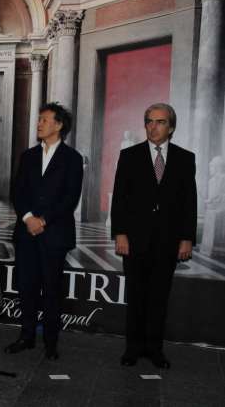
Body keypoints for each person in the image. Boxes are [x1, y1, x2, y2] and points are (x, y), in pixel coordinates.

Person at [111, 103, 196, 369]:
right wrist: (120, 233)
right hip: (135, 241)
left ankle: (154, 349)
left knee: (159, 297)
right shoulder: (129, 156)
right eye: (149, 121)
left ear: (171, 127)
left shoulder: (185, 158)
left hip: (168, 241)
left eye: (159, 122)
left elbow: (188, 202)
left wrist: (186, 238)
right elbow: (120, 200)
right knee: (136, 296)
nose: (153, 126)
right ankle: (132, 349)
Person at [5, 102, 83, 360]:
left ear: (59, 125)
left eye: (44, 119)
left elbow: (70, 198)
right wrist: (28, 218)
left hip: (55, 234)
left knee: (51, 289)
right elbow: (18, 192)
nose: (39, 123)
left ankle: (51, 342)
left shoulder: (72, 159)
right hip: (26, 233)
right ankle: (26, 336)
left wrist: (44, 220)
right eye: (39, 119)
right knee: (26, 287)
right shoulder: (28, 156)